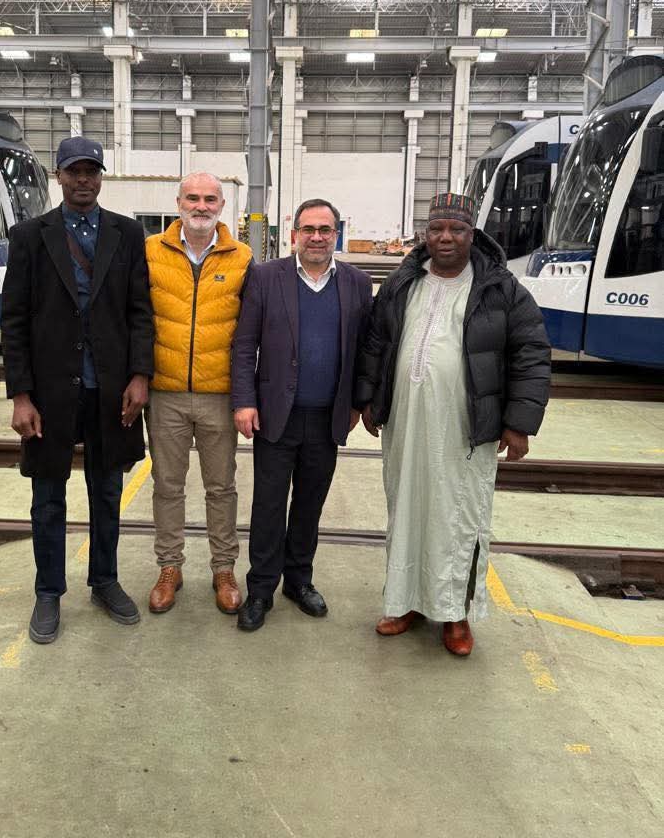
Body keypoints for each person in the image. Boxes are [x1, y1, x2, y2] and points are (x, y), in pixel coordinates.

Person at [353, 192, 551, 656]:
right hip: (406, 423)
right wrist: (368, 400)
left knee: (458, 517)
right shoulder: (403, 282)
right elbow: (377, 342)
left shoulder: (501, 289)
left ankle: (454, 613)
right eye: (437, 229)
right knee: (407, 510)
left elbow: (531, 353)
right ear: (425, 234)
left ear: (471, 234)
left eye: (456, 229)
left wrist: (518, 423)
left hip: (466, 427)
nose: (446, 237)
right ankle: (405, 601)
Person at [1, 136, 154, 645]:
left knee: (107, 491)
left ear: (101, 176)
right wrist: (21, 396)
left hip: (110, 389)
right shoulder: (30, 236)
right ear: (59, 176)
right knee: (47, 496)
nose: (83, 179)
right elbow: (14, 320)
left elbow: (139, 312)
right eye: (74, 171)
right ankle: (48, 591)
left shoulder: (127, 234)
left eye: (91, 171)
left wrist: (140, 376)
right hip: (50, 392)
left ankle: (104, 580)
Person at [231, 198, 373, 631]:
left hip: (327, 417)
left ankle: (298, 581)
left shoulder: (357, 283)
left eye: (324, 229)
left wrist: (356, 403)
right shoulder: (265, 277)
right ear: (294, 234)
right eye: (308, 229)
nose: (316, 237)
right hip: (276, 414)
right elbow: (244, 345)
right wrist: (244, 400)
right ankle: (260, 589)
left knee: (310, 504)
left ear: (336, 234)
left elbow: (365, 350)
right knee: (269, 506)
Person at [144, 173, 252, 615]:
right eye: (193, 198)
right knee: (167, 486)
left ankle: (223, 569)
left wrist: (247, 394)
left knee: (221, 487)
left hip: (218, 394)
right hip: (165, 392)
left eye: (210, 199)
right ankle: (169, 567)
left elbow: (250, 332)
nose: (201, 206)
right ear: (178, 202)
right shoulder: (151, 251)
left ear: (222, 206)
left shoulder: (242, 257)